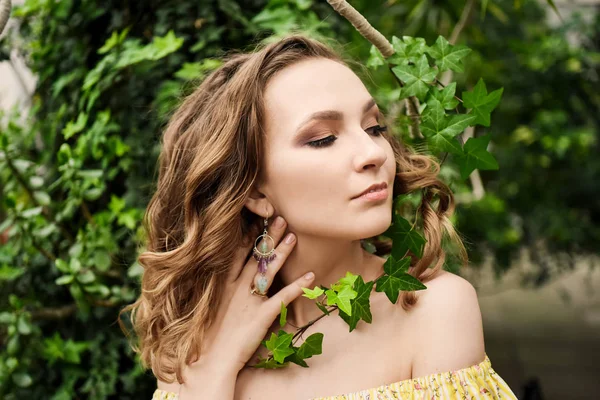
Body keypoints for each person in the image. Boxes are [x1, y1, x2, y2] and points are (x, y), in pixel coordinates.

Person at [120, 33, 518, 400]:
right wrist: (211, 377)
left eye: (374, 127)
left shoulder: (433, 312)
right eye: (323, 138)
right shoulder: (195, 338)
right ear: (255, 191)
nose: (375, 154)